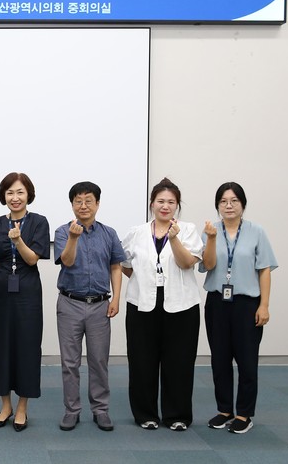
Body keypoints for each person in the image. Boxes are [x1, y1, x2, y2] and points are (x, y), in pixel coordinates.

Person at [120, 177, 203, 431]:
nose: (165, 206)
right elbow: (125, 265)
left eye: (171, 202)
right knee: (142, 361)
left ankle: (177, 415)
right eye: (160, 201)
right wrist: (144, 281)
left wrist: (174, 239)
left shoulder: (187, 230)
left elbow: (187, 263)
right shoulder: (136, 232)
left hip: (181, 305)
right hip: (142, 304)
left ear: (177, 206)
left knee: (179, 361)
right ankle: (145, 414)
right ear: (152, 204)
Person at [200, 182, 277, 434]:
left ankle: (244, 414)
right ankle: (224, 410)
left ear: (243, 204)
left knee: (247, 360)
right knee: (219, 359)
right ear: (217, 205)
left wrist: (264, 305)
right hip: (217, 302)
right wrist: (211, 239)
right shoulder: (210, 231)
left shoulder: (256, 232)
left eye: (234, 200)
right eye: (223, 201)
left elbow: (264, 270)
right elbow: (207, 265)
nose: (229, 205)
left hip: (246, 303)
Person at [55, 181, 124, 432]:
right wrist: (74, 238)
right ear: (72, 204)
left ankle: (100, 410)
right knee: (69, 362)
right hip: (69, 303)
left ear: (97, 204)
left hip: (99, 305)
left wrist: (116, 298)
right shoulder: (63, 231)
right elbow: (67, 260)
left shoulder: (109, 233)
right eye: (78, 201)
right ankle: (72, 410)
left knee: (98, 361)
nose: (83, 206)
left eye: (88, 201)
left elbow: (116, 266)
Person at [0, 173, 50, 432]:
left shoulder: (39, 222)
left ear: (28, 194)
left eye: (20, 192)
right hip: (1, 293)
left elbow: (32, 259)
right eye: (10, 192)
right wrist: (4, 272)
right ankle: (5, 406)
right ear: (4, 196)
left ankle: (22, 407)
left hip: (28, 293)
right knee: (1, 346)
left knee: (27, 346)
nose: (15, 197)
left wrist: (17, 240)